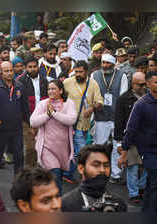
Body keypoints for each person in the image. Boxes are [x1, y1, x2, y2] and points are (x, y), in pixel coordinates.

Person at [30, 79, 77, 194]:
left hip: (63, 149)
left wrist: (54, 114)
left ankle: (48, 199)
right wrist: (47, 114)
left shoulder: (69, 103)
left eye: (53, 89)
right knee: (55, 176)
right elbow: (33, 121)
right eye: (49, 89)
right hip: (47, 147)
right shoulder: (43, 104)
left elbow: (71, 120)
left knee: (57, 177)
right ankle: (58, 205)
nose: (50, 91)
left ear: (60, 90)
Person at [118, 71, 157, 212]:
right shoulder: (141, 104)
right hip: (149, 152)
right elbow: (131, 130)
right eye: (156, 82)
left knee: (152, 186)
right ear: (148, 84)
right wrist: (123, 153)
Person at [0, 61, 30, 181]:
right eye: (6, 71)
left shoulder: (20, 86)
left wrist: (30, 124)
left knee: (19, 157)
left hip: (17, 129)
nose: (10, 73)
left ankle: (19, 185)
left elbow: (25, 107)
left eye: (11, 70)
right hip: (1, 130)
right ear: (1, 72)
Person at [63, 60, 103, 183]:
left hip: (86, 124)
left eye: (80, 72)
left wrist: (92, 108)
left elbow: (100, 102)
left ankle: (67, 173)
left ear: (86, 72)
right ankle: (90, 177)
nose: (78, 74)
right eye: (76, 72)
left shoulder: (93, 84)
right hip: (72, 124)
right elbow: (60, 99)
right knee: (83, 151)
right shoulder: (67, 82)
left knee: (76, 153)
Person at [92, 53, 128, 184]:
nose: (105, 66)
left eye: (108, 63)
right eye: (103, 63)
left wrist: (122, 116)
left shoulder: (121, 75)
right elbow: (92, 95)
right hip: (100, 116)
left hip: (117, 117)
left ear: (113, 64)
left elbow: (123, 97)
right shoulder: (95, 75)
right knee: (99, 146)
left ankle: (116, 174)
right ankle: (97, 171)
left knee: (117, 145)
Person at [61, 144, 127, 212]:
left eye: (106, 165)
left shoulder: (119, 205)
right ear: (81, 169)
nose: (102, 170)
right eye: (96, 165)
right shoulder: (65, 205)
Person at [114, 72, 147, 205]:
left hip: (147, 138)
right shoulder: (123, 99)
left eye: (145, 84)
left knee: (146, 166)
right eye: (141, 84)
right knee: (132, 167)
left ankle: (141, 187)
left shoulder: (150, 97)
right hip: (130, 138)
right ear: (133, 83)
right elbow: (119, 121)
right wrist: (119, 142)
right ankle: (133, 193)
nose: (144, 87)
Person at [17, 56, 48, 168]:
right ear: (25, 68)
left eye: (35, 66)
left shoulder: (45, 80)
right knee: (30, 148)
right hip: (27, 120)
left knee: (43, 146)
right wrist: (28, 121)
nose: (33, 69)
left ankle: (40, 170)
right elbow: (19, 104)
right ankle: (29, 172)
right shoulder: (20, 81)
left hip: (43, 119)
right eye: (30, 67)